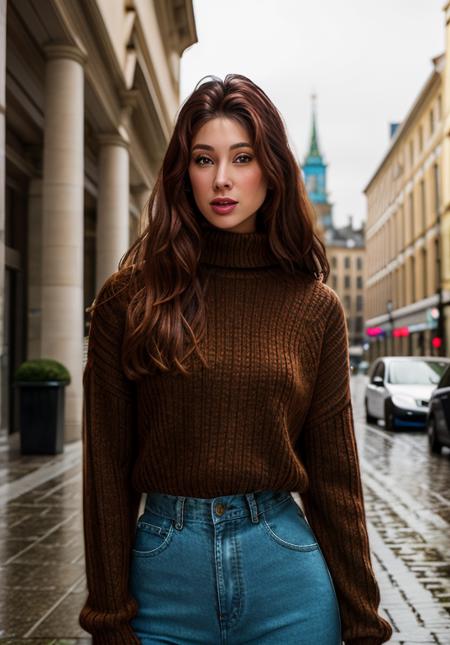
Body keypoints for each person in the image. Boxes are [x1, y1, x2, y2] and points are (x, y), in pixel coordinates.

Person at [79, 73, 393, 645]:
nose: (222, 179)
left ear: (270, 171)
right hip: (161, 578)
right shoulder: (128, 299)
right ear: (184, 173)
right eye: (204, 159)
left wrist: (363, 619)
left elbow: (335, 478)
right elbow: (105, 470)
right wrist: (108, 614)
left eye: (242, 157)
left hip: (286, 575)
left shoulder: (313, 307)